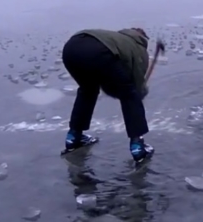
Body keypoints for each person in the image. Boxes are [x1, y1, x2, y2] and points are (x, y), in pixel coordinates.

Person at [60, 27, 164, 163]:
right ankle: (138, 148)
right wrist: (138, 93)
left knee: (87, 90)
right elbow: (136, 85)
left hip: (71, 49)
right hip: (98, 52)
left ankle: (73, 138)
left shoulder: (115, 38)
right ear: (143, 39)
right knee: (129, 95)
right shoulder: (137, 46)